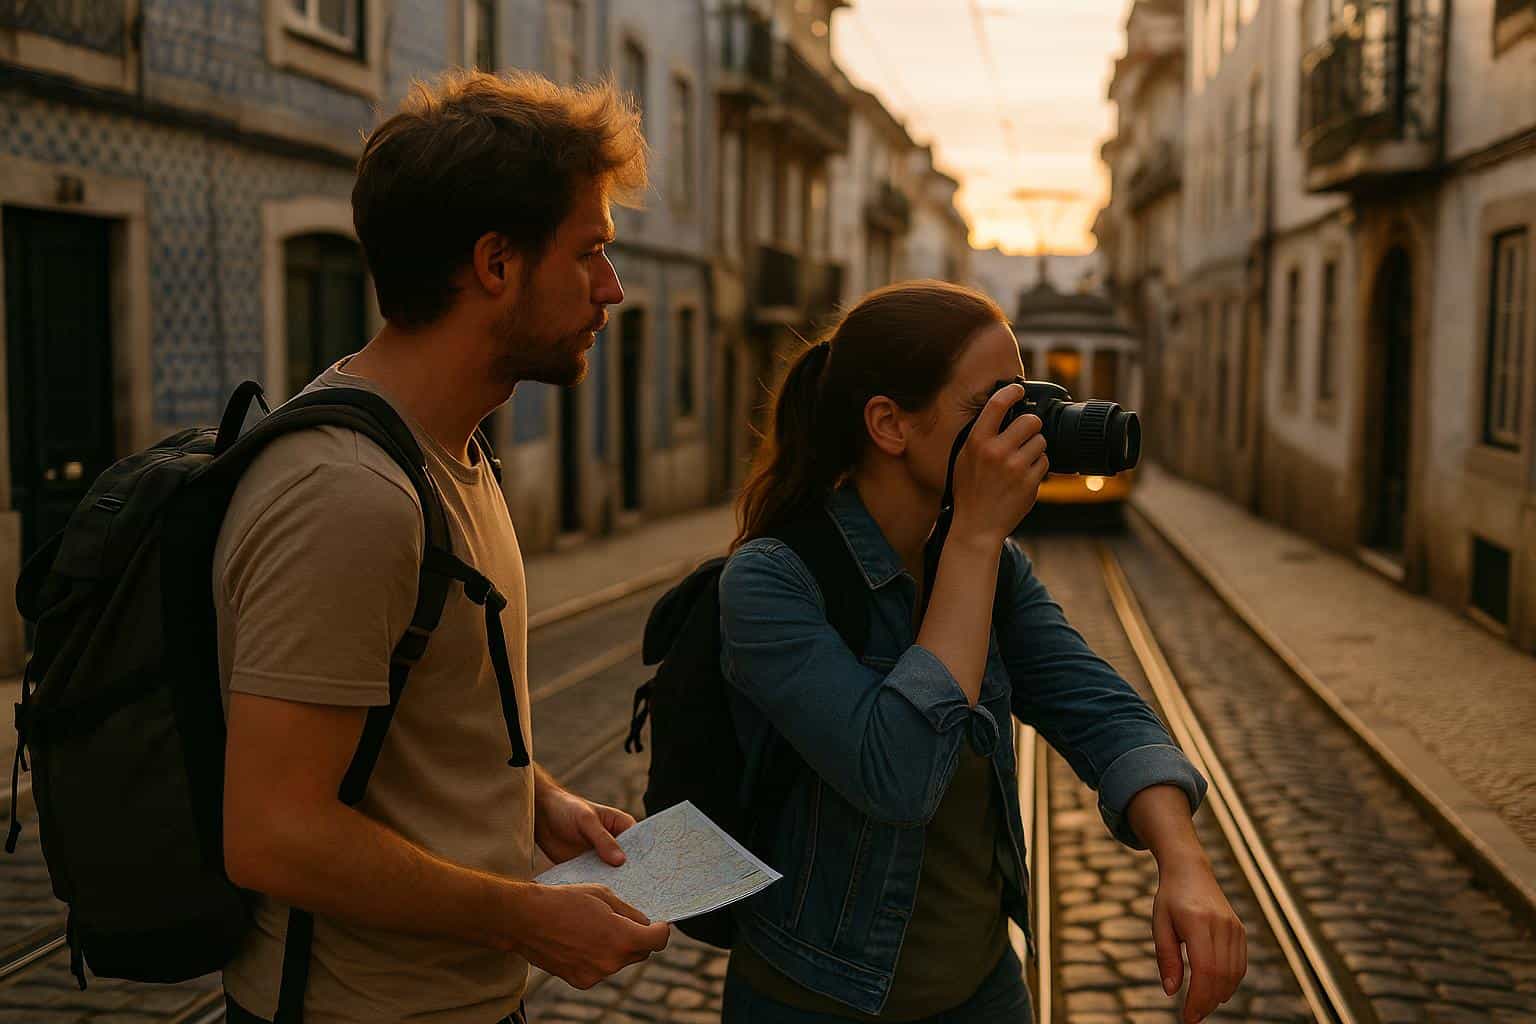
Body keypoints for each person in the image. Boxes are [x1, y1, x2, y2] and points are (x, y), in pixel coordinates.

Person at [214, 71, 670, 1024]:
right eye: (589, 252)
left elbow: (417, 715)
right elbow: (273, 833)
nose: (612, 289)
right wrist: (529, 921)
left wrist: (535, 800)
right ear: (495, 264)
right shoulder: (348, 496)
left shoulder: (450, 452)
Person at [717, 281, 1247, 1024]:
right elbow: (897, 776)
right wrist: (973, 535)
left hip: (984, 992)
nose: (1023, 428)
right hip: (818, 1000)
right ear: (889, 425)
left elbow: (1096, 704)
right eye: (991, 407)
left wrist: (1182, 857)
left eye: (1024, 399)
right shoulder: (773, 582)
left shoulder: (991, 569)